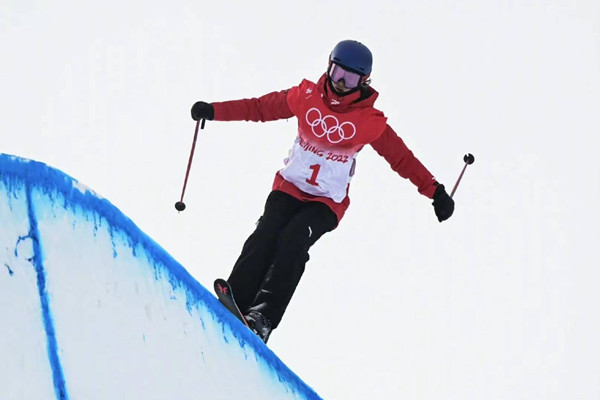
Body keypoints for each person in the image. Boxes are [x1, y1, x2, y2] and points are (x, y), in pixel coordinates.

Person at [190, 40, 455, 343]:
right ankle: (237, 297)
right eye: (337, 72)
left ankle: (262, 317)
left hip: (326, 203)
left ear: (363, 82)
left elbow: (402, 158)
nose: (341, 82)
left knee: (294, 239)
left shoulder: (370, 122)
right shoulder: (305, 96)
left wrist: (434, 191)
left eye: (351, 78)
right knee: (268, 231)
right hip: (289, 187)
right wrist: (214, 111)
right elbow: (260, 108)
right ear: (328, 67)